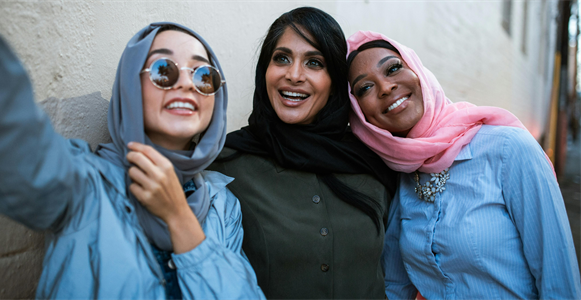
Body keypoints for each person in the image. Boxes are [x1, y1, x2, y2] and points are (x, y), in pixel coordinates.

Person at [0, 16, 264, 299]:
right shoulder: (84, 186)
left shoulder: (222, 206)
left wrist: (179, 217)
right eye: (164, 69)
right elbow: (7, 139)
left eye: (204, 75)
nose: (188, 84)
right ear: (131, 87)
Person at [346, 30, 581, 299]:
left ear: (418, 72)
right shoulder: (402, 172)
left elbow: (559, 283)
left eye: (393, 68)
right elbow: (395, 288)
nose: (386, 87)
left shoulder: (509, 150)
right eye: (365, 88)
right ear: (362, 116)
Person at [208, 7, 397, 299]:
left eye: (314, 62)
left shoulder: (372, 161)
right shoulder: (225, 164)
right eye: (281, 58)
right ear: (265, 70)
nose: (294, 75)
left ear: (334, 80)